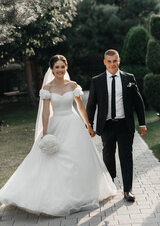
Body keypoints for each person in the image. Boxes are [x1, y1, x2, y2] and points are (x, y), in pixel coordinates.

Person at [0, 55, 116, 216]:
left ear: (66, 67)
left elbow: (81, 107)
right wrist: (46, 132)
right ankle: (55, 197)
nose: (60, 70)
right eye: (57, 67)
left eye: (63, 67)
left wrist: (88, 125)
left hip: (73, 124)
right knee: (54, 160)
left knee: (78, 159)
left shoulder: (73, 85)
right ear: (52, 69)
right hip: (56, 125)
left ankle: (81, 195)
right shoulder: (47, 88)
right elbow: (46, 112)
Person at [86, 49, 147, 202]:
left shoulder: (129, 78)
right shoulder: (97, 80)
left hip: (124, 125)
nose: (112, 64)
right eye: (109, 61)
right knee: (108, 156)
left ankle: (128, 190)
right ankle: (110, 186)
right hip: (106, 126)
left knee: (126, 156)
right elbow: (91, 105)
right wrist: (89, 125)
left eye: (115, 61)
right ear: (104, 62)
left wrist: (142, 123)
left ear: (118, 61)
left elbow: (138, 103)